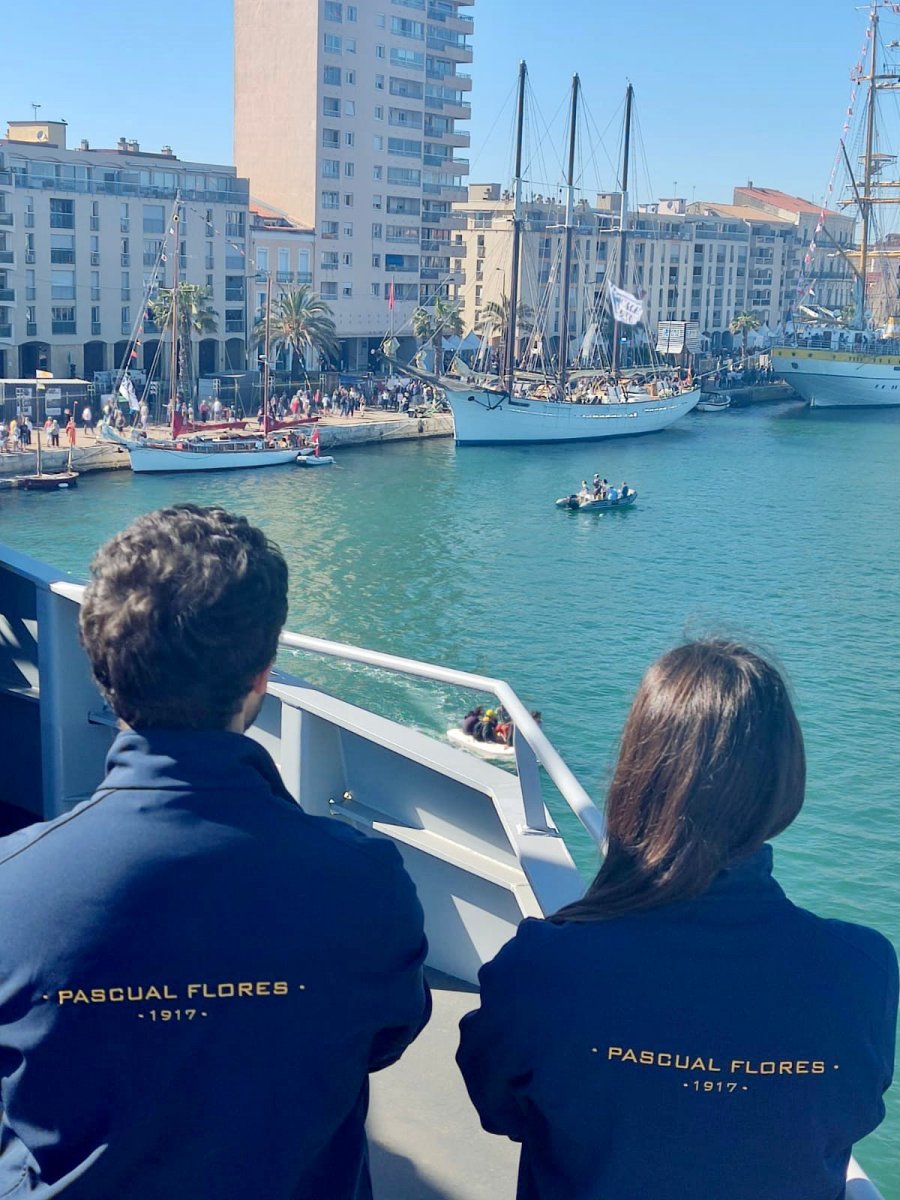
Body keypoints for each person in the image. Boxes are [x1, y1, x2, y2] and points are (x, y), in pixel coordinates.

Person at [0, 505, 430, 1199]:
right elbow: (387, 1034)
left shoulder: (11, 887)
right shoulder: (363, 881)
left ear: (101, 667)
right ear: (261, 673)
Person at [458, 640, 897, 1200]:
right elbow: (849, 1113)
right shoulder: (862, 969)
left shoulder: (546, 964)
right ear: (785, 779)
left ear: (639, 772)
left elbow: (498, 1106)